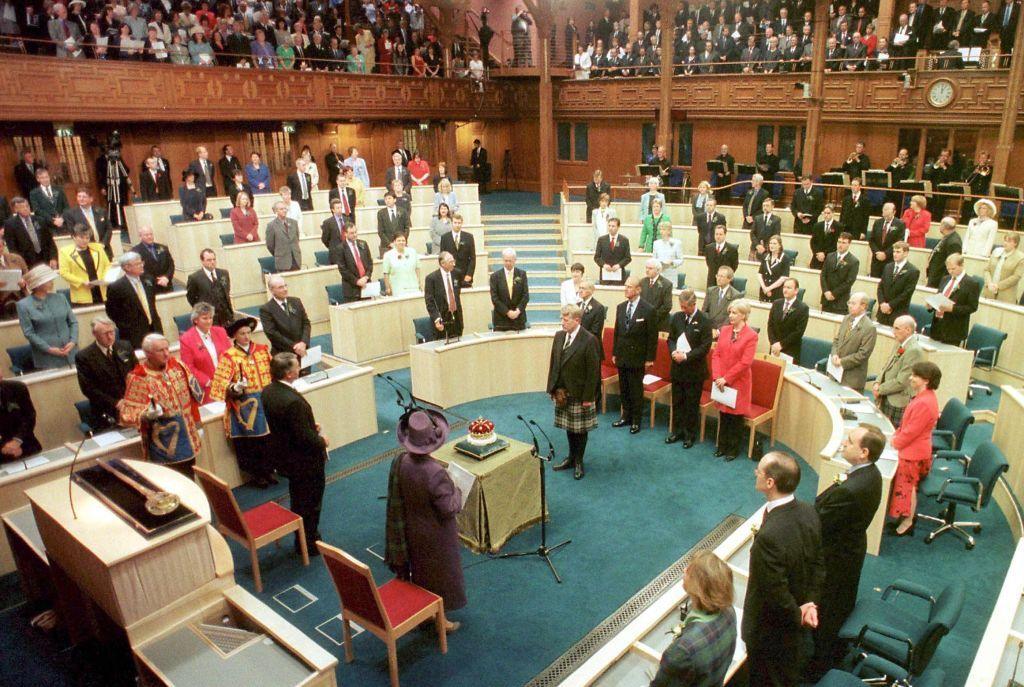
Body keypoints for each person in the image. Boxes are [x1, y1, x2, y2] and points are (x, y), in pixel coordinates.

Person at [808, 424, 884, 679]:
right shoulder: (870, 474)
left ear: (863, 452)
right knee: (839, 606)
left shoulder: (852, 490)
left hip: (836, 556)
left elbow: (820, 518)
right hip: (850, 549)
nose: (843, 443)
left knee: (828, 610)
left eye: (849, 441)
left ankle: (820, 667)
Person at [744, 451, 824, 687]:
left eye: (758, 470)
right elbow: (819, 564)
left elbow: (775, 592)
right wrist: (810, 604)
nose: (755, 473)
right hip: (796, 622)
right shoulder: (809, 511)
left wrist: (798, 614)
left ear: (770, 482)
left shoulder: (769, 536)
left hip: (770, 631)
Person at [384, 407, 465, 631]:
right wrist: (457, 490)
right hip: (436, 534)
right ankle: (440, 620)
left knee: (422, 572)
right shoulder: (435, 472)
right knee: (440, 576)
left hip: (412, 528)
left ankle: (426, 611)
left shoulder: (401, 462)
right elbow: (449, 508)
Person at [262, 352, 328, 554]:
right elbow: (305, 439)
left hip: (286, 457)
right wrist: (321, 440)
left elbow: (289, 426)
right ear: (289, 374)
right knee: (311, 502)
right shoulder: (293, 401)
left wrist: (307, 425)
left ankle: (302, 538)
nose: (299, 369)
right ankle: (309, 543)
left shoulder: (269, 391)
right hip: (305, 462)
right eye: (296, 367)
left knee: (298, 499)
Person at [649, 550, 737, 687]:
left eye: (689, 571)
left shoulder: (682, 652)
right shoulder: (729, 612)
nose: (684, 570)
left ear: (698, 587)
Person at [121, 333, 204, 476]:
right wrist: (146, 415)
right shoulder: (139, 377)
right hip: (164, 444)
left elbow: (193, 397)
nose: (166, 354)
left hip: (188, 435)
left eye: (167, 348)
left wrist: (198, 423)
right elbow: (127, 414)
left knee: (190, 476)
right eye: (161, 350)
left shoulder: (178, 366)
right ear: (148, 354)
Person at [210, 316, 276, 488]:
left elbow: (274, 371)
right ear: (235, 336)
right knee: (250, 442)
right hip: (244, 405)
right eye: (242, 333)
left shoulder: (262, 350)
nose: (246, 336)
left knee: (268, 438)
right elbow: (220, 383)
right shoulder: (229, 356)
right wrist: (234, 387)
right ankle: (257, 475)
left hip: (265, 399)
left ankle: (269, 470)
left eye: (248, 332)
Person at [887, 361, 942, 536]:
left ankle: (908, 521)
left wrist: (895, 442)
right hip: (914, 449)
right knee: (906, 487)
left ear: (926, 380)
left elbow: (912, 431)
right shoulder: (924, 396)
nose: (911, 378)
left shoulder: (924, 402)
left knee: (907, 488)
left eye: (915, 376)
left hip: (914, 454)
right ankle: (904, 517)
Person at [548, 304, 601, 480]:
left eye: (565, 319)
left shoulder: (589, 340)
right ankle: (571, 458)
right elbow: (554, 364)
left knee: (580, 430)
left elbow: (594, 372)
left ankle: (579, 461)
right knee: (569, 428)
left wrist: (588, 397)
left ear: (577, 320)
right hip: (563, 392)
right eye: (561, 318)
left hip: (580, 393)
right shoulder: (559, 336)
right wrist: (553, 388)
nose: (562, 322)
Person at [665, 289, 713, 449]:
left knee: (691, 405)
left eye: (686, 307)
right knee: (677, 402)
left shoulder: (704, 321)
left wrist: (686, 356)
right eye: (681, 306)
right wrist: (673, 351)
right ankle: (677, 431)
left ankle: (689, 435)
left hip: (694, 371)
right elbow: (670, 338)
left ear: (694, 304)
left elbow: (705, 347)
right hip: (677, 368)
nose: (683, 309)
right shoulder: (677, 317)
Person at [710, 300, 757, 460]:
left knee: (735, 417)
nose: (730, 315)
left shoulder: (751, 336)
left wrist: (727, 378)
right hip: (721, 380)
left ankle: (733, 449)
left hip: (738, 382)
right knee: (723, 414)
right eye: (730, 312)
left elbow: (746, 362)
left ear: (743, 315)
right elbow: (716, 355)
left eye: (734, 313)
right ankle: (722, 446)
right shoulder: (724, 330)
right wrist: (717, 377)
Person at [613, 276, 659, 434]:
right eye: (625, 286)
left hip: (638, 357)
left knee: (635, 390)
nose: (626, 289)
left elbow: (652, 337)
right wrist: (615, 352)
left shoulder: (648, 309)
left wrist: (649, 358)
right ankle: (625, 416)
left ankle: (636, 421)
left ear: (638, 289)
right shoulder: (620, 307)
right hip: (622, 356)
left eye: (629, 287)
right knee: (624, 388)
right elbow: (618, 332)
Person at [75, 315, 135, 431]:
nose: (110, 337)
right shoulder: (85, 357)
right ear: (95, 334)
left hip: (133, 405)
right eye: (105, 334)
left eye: (112, 332)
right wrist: (116, 403)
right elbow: (88, 389)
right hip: (106, 412)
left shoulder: (125, 347)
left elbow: (136, 373)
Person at [17, 264, 78, 370]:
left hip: (71, 351)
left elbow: (73, 322)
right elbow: (29, 333)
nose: (52, 282)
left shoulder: (60, 297)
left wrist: (73, 341)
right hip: (47, 357)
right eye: (48, 280)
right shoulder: (23, 305)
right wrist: (49, 349)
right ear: (38, 284)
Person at [872, 315, 924, 427]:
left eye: (897, 328)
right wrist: (877, 382)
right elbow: (887, 365)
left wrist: (880, 389)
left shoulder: (914, 350)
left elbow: (902, 381)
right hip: (886, 393)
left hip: (897, 401)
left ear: (908, 330)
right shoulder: (899, 343)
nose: (893, 332)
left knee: (891, 432)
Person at [105, 251, 163, 349]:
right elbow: (111, 311)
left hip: (154, 327)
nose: (141, 266)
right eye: (137, 264)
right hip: (133, 333)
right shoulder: (116, 287)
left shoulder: (148, 279)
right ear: (126, 267)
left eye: (141, 263)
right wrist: (126, 326)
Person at [179, 302, 230, 403]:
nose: (209, 321)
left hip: (227, 382)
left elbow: (231, 355)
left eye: (210, 317)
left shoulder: (220, 331)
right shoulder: (186, 339)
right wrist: (208, 381)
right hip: (206, 387)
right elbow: (188, 367)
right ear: (195, 320)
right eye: (205, 318)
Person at [928, 253, 980, 345]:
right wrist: (931, 306)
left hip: (953, 329)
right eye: (948, 269)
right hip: (937, 326)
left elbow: (972, 307)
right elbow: (939, 297)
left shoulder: (971, 283)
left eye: (953, 269)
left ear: (962, 265)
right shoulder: (945, 279)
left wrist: (952, 309)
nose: (950, 271)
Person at [829, 293, 878, 392]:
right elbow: (837, 340)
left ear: (863, 306)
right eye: (849, 302)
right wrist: (834, 354)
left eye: (853, 303)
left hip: (851, 380)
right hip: (835, 374)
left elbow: (863, 354)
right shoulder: (846, 318)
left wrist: (842, 362)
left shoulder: (869, 327)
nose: (850, 306)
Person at [260, 276, 311, 359]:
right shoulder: (266, 309)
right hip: (284, 354)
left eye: (285, 285)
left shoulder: (296, 301)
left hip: (303, 350)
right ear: (272, 290)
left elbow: (306, 323)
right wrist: (294, 346)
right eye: (280, 287)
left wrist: (303, 342)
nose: (285, 289)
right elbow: (271, 333)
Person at [58, 224, 109, 305]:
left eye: (87, 238)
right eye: (81, 237)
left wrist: (104, 278)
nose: (85, 240)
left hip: (102, 291)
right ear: (74, 237)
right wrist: (82, 282)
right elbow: (64, 272)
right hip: (82, 294)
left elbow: (107, 265)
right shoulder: (65, 252)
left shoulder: (98, 248)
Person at [0, 368, 42, 464]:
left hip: (26, 444)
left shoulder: (17, 388)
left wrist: (17, 441)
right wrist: (4, 448)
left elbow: (29, 416)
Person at [5, 197, 57, 268]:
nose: (26, 208)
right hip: (27, 263)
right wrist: (21, 265)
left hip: (46, 259)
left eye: (27, 206)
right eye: (22, 207)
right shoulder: (10, 224)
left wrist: (53, 257)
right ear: (16, 209)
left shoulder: (39, 220)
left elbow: (50, 241)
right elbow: (12, 248)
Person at [185, 249, 233, 327]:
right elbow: (191, 297)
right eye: (209, 260)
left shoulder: (224, 273)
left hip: (226, 316)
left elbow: (227, 292)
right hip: (209, 318)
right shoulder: (195, 277)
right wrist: (202, 310)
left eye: (214, 259)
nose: (212, 262)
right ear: (202, 261)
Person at [876, 242, 919, 326]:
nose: (895, 254)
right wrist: (882, 303)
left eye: (898, 252)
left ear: (906, 253)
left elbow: (906, 293)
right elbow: (880, 287)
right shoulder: (888, 267)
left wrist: (890, 305)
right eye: (894, 251)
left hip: (898, 313)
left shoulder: (912, 271)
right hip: (882, 311)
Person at [768, 278, 810, 363]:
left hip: (790, 351)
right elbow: (770, 325)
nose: (785, 290)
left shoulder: (802, 308)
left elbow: (798, 332)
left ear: (796, 290)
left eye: (789, 288)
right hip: (774, 348)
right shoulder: (776, 304)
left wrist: (781, 344)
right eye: (784, 287)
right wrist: (773, 343)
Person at [424, 252, 463, 340]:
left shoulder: (457, 274)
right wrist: (437, 319)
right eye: (451, 262)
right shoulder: (431, 278)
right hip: (442, 318)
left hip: (457, 317)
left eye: (454, 261)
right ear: (442, 264)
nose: (454, 264)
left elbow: (457, 294)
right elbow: (429, 301)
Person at [62, 188, 112, 255]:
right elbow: (73, 232)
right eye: (79, 196)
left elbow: (109, 228)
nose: (81, 199)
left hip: (104, 249)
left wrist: (103, 244)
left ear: (91, 199)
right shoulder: (71, 214)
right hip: (86, 251)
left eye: (84, 197)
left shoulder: (101, 211)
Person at [490, 248, 529, 331]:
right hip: (501, 321)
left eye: (510, 261)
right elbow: (495, 298)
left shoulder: (522, 274)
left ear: (515, 260)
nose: (508, 263)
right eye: (505, 260)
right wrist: (508, 312)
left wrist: (517, 311)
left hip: (518, 320)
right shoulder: (495, 277)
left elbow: (525, 296)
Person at [820, 233, 859, 315]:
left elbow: (849, 282)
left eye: (844, 243)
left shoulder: (853, 261)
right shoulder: (830, 256)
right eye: (839, 242)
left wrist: (834, 294)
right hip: (826, 300)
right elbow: (823, 275)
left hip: (840, 303)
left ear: (849, 244)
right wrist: (826, 291)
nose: (840, 245)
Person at [868, 202, 907, 277]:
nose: (885, 212)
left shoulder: (900, 224)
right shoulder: (877, 222)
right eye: (884, 210)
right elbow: (871, 240)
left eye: (887, 210)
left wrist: (886, 254)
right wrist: (877, 252)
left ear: (894, 212)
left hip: (890, 259)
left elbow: (899, 242)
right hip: (876, 259)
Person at [133, 225, 175, 294]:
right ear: (140, 236)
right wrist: (157, 281)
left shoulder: (162, 247)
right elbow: (139, 271)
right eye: (146, 235)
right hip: (149, 286)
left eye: (151, 234)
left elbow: (171, 264)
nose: (149, 237)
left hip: (166, 284)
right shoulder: (135, 251)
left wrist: (166, 277)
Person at [983, 232, 1024, 303]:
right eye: (1005, 240)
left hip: (1006, 296)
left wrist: (998, 286)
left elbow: (1016, 277)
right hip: (989, 291)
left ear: (1015, 243)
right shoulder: (996, 251)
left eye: (1009, 241)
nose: (1005, 243)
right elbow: (987, 270)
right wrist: (989, 282)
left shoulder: (1020, 258)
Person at [438, 213, 476, 287]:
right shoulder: (445, 238)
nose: (457, 225)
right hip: (449, 274)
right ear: (452, 223)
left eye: (459, 223)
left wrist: (469, 274)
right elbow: (442, 258)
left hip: (465, 276)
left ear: (462, 223)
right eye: (455, 223)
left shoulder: (469, 237)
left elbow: (473, 258)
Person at [28, 168, 69, 236]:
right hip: (47, 225)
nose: (46, 179)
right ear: (38, 179)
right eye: (42, 178)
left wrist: (62, 218)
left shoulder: (59, 189)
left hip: (63, 223)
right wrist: (52, 220)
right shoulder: (34, 193)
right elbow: (37, 210)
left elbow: (66, 206)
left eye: (47, 177)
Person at [926, 217, 963, 288]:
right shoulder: (947, 237)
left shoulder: (954, 242)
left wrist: (944, 281)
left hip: (940, 279)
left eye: (940, 224)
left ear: (944, 226)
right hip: (934, 274)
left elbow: (952, 264)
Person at [265, 201, 302, 272]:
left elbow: (297, 238)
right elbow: (270, 245)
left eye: (285, 209)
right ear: (276, 211)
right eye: (281, 209)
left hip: (296, 259)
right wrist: (279, 253)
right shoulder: (271, 226)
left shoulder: (294, 223)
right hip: (282, 262)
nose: (284, 210)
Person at [702, 266, 742, 331]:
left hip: (724, 331)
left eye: (722, 276)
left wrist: (718, 331)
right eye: (718, 276)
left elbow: (730, 318)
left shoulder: (735, 295)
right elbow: (704, 312)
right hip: (708, 329)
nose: (718, 279)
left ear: (729, 279)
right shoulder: (710, 291)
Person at [594, 217, 631, 285]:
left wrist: (619, 265)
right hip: (605, 274)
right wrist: (604, 265)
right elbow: (597, 257)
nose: (610, 228)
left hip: (619, 275)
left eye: (613, 226)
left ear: (618, 227)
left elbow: (628, 258)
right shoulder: (601, 240)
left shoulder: (624, 240)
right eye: (609, 226)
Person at [640, 258, 673, 332]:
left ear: (658, 270)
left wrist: (652, 316)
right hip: (643, 322)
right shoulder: (642, 282)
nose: (647, 270)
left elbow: (667, 306)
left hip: (658, 322)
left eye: (650, 268)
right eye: (646, 268)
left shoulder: (666, 284)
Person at [0, 238, 29, 320]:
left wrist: (24, 282)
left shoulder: (16, 258)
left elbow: (28, 276)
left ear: (3, 246)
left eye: (0, 246)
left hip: (20, 296)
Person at [377, 191, 411, 258]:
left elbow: (407, 228)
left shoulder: (403, 211)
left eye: (389, 198)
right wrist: (390, 244)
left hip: (401, 244)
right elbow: (380, 231)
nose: (387, 201)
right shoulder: (381, 213)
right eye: (386, 199)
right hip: (386, 246)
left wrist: (401, 240)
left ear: (395, 199)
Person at [756, 235, 790, 303]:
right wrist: (764, 288)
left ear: (780, 245)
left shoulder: (784, 258)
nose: (772, 245)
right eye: (770, 243)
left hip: (777, 291)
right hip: (764, 289)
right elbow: (760, 274)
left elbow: (784, 277)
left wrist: (769, 288)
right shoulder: (765, 256)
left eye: (774, 243)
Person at [578, 281, 607, 349]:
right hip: (578, 346)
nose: (580, 291)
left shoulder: (598, 308)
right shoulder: (577, 305)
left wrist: (579, 338)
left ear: (591, 291)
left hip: (591, 347)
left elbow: (595, 331)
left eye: (583, 288)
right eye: (580, 288)